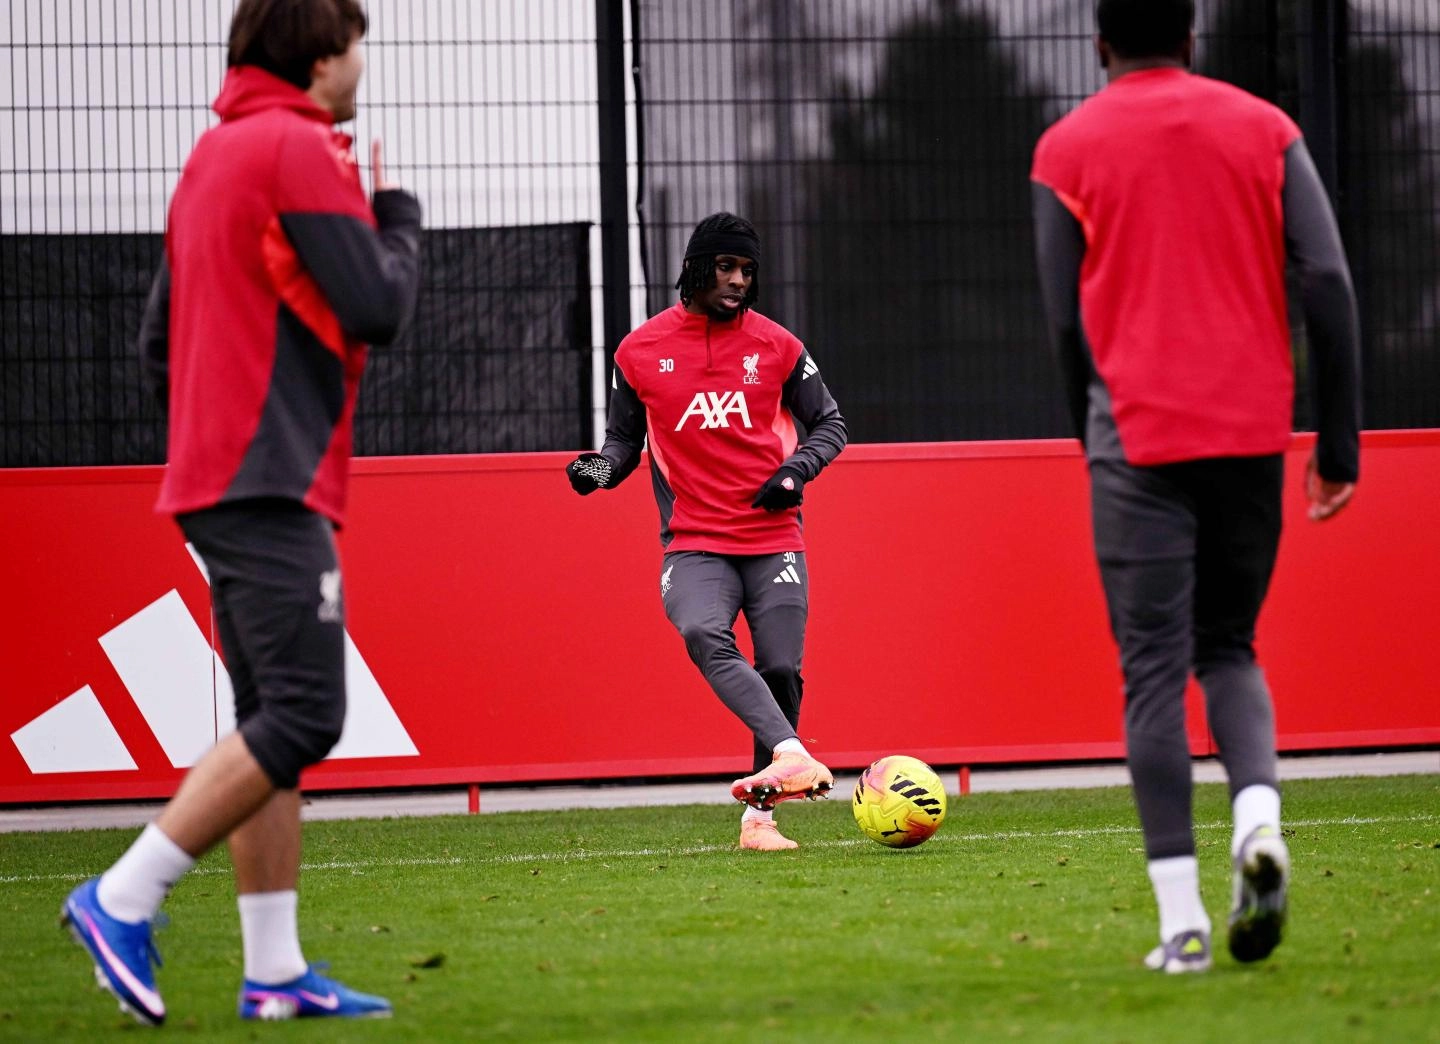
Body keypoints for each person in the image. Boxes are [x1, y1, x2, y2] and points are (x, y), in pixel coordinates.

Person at [61, 0, 422, 1024]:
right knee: (307, 714)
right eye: (358, 42)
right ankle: (121, 897)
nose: (363, 61)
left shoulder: (213, 154)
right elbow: (378, 307)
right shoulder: (296, 149)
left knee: (271, 724)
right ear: (322, 53)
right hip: (267, 479)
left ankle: (274, 973)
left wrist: (214, 428)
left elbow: (156, 344)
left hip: (219, 476)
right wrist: (399, 217)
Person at [1031, 0, 1360, 973]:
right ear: (1189, 36)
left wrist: (1087, 432)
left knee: (1151, 672)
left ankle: (1183, 927)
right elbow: (1329, 282)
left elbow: (1065, 323)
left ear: (1100, 43)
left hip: (1135, 440)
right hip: (1249, 434)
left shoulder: (1066, 148)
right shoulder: (1266, 128)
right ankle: (1258, 823)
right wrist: (1339, 443)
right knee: (1229, 647)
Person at [565, 213, 848, 851]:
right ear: (695, 269)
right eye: (725, 267)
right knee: (701, 630)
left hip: (773, 537)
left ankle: (760, 822)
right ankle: (792, 754)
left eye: (747, 270)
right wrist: (600, 470)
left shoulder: (779, 346)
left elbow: (831, 424)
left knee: (781, 668)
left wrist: (794, 472)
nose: (738, 281)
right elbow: (622, 444)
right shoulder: (638, 352)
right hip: (694, 540)